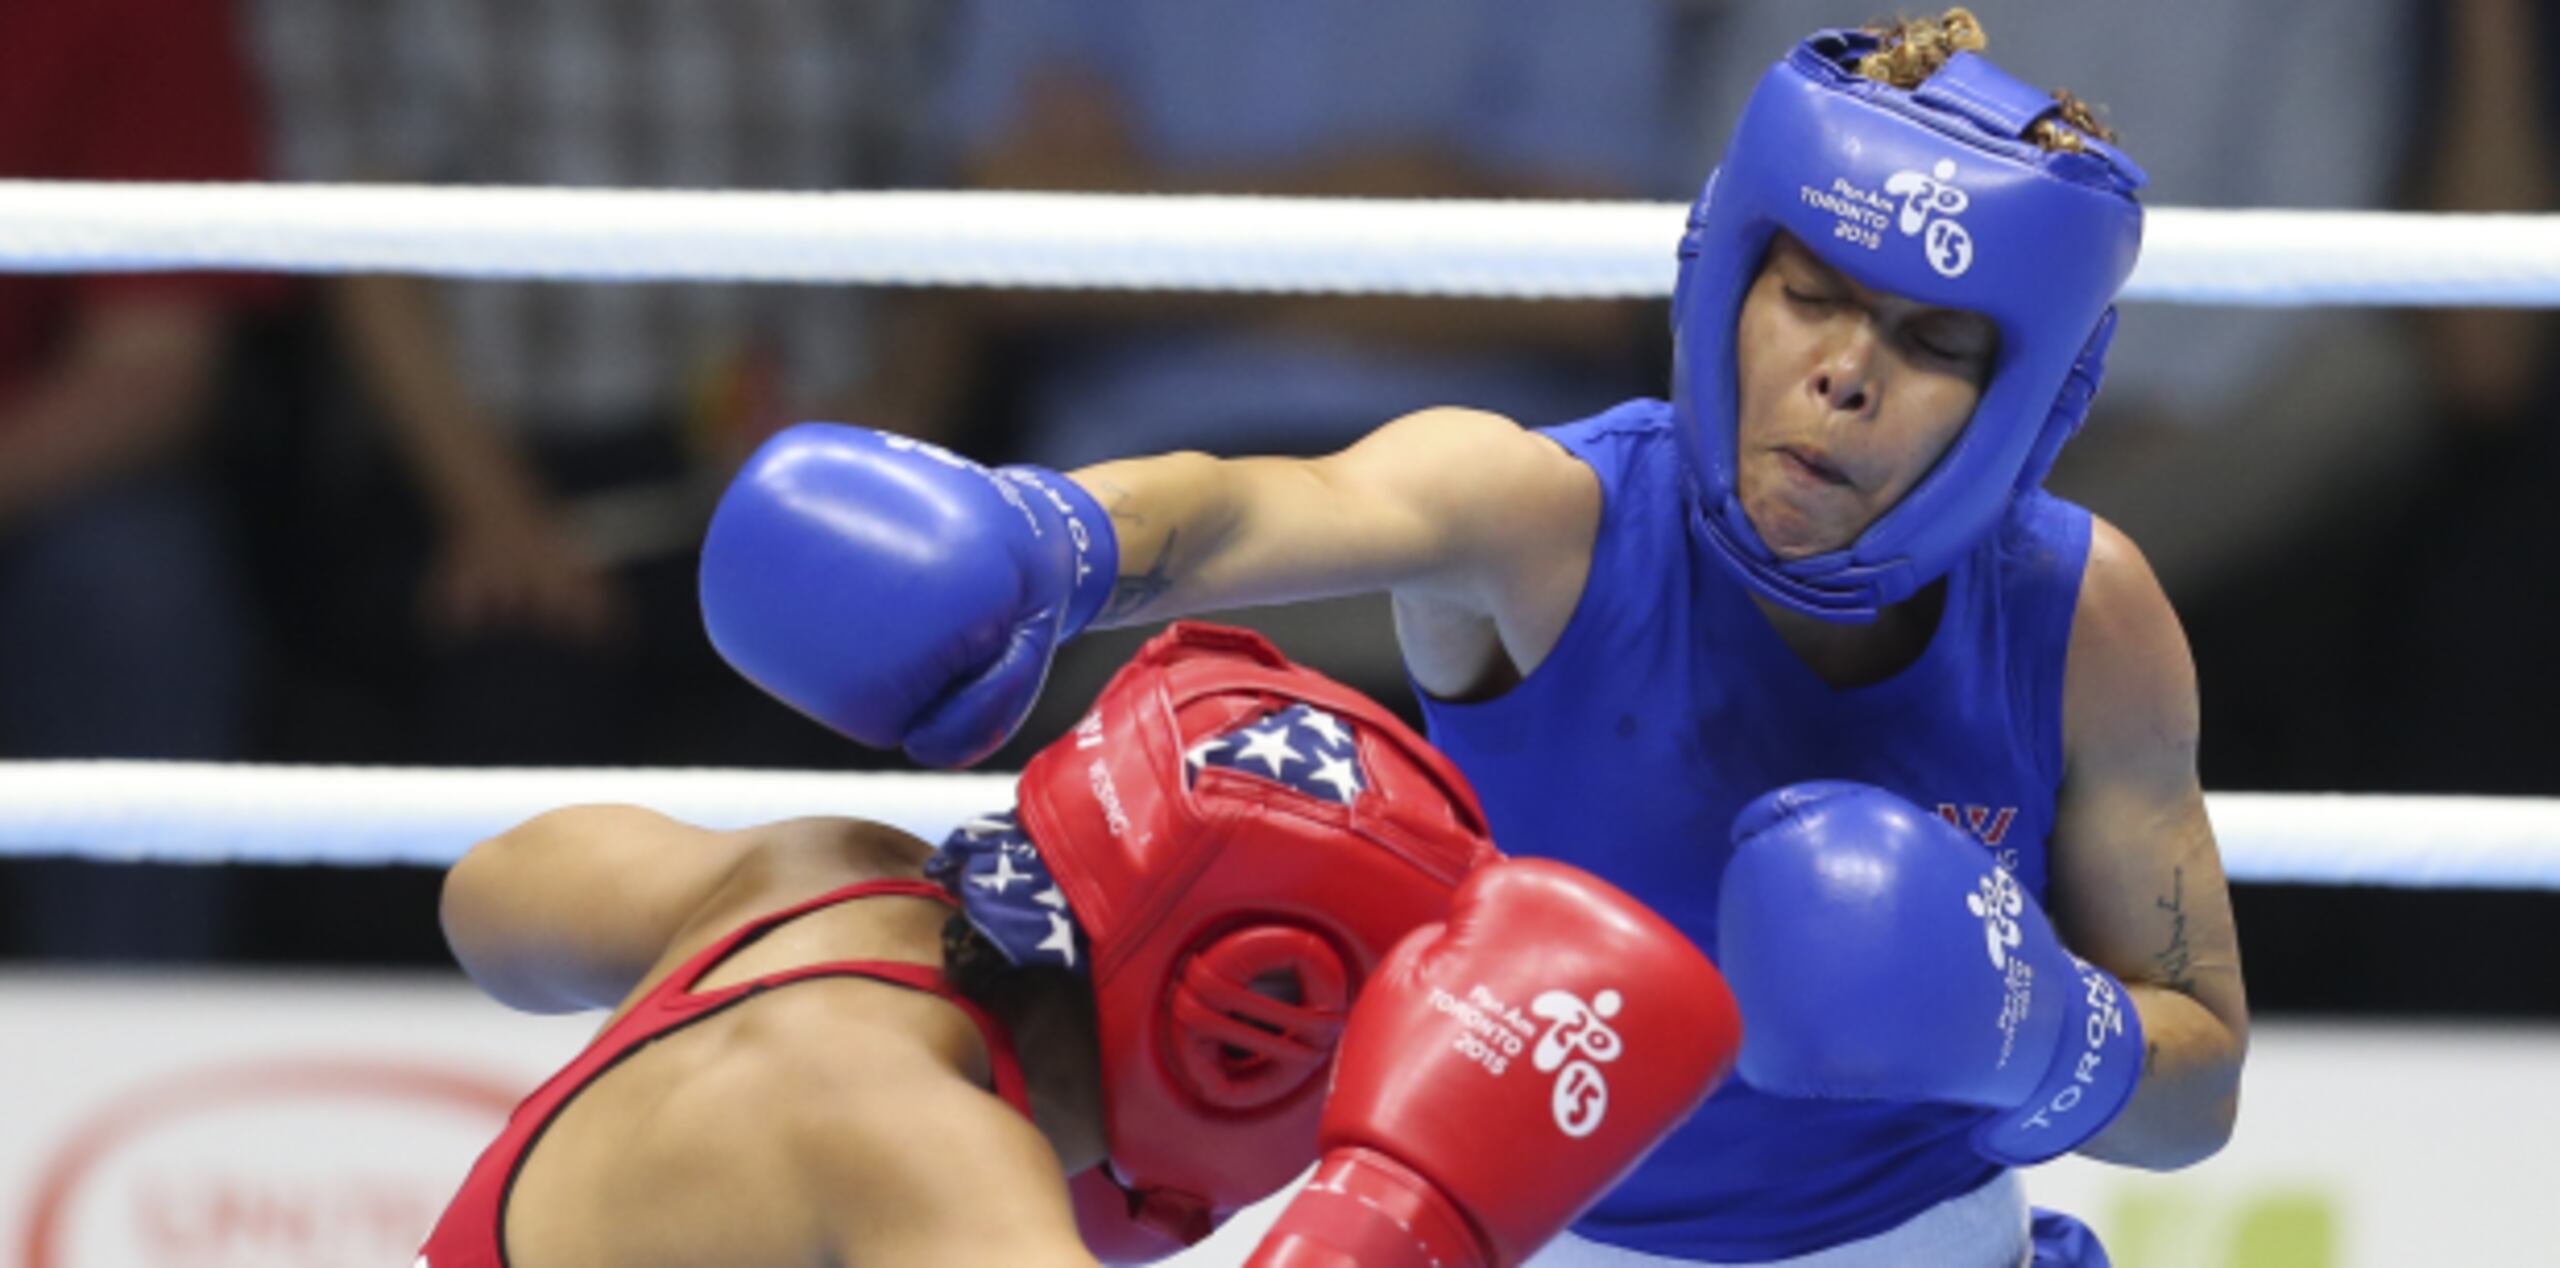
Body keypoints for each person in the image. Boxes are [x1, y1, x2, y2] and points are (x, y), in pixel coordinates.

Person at [698, 12, 2250, 1265]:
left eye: (1929, 342)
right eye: (1812, 298)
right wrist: (1043, 540)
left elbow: (2200, 1086)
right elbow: (1265, 506)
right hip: (1512, 1229)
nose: (1844, 375)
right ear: (1727, 279)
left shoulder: (2083, 615)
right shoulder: (1549, 518)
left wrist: (2032, 1019)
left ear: (2030, 395)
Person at [418, 622, 1740, 1268]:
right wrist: (1386, 1226)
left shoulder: (814, 873)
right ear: (1242, 1024)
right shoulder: (925, 1147)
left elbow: (489, 899)